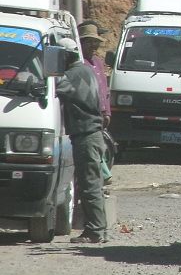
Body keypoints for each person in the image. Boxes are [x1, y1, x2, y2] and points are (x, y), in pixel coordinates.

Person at [54, 37, 108, 244]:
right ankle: (99, 229)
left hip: (86, 135)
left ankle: (94, 231)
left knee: (89, 185)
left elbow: (54, 89)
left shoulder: (73, 75)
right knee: (94, 184)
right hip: (92, 134)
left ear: (66, 56)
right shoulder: (85, 70)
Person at [78, 21, 113, 187]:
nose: (94, 45)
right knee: (92, 154)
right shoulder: (79, 64)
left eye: (96, 42)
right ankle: (100, 180)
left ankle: (100, 180)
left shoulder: (97, 62)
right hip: (87, 119)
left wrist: (107, 112)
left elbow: (104, 91)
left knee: (100, 149)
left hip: (100, 117)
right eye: (90, 42)